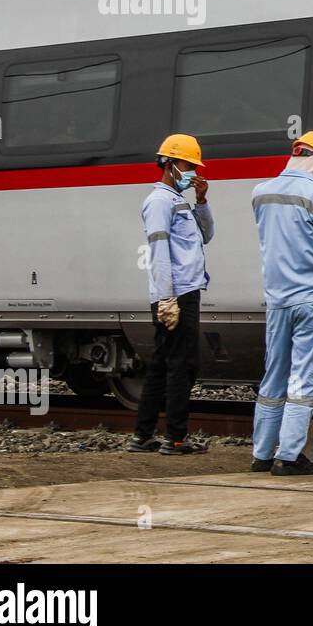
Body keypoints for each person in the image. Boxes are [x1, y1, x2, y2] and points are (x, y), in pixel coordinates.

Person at [250, 132, 313, 475]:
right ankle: (288, 457)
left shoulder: (261, 194)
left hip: (277, 299)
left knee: (274, 376)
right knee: (304, 378)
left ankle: (262, 454)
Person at [129, 134, 215, 454]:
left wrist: (202, 202)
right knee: (183, 364)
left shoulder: (178, 201)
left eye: (194, 166)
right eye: (187, 165)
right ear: (169, 164)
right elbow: (159, 252)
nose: (192, 172)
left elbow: (205, 235)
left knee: (163, 363)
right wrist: (167, 298)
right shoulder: (159, 202)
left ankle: (143, 435)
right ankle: (176, 438)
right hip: (177, 295)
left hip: (182, 292)